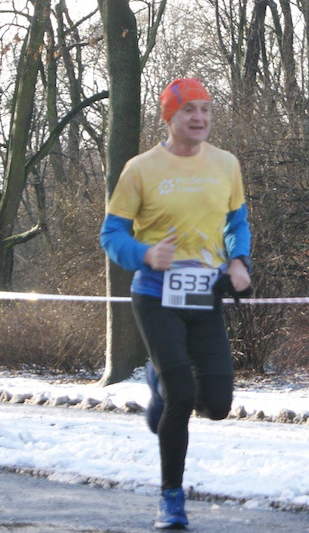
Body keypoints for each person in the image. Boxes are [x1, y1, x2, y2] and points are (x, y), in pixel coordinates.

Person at [100, 77, 252, 530]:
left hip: (205, 293)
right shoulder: (140, 169)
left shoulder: (226, 164)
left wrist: (239, 260)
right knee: (182, 396)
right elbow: (112, 234)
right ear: (170, 117)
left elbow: (236, 223)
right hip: (155, 294)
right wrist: (145, 254)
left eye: (205, 109)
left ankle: (158, 381)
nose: (199, 117)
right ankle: (171, 498)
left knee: (218, 404)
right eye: (189, 110)